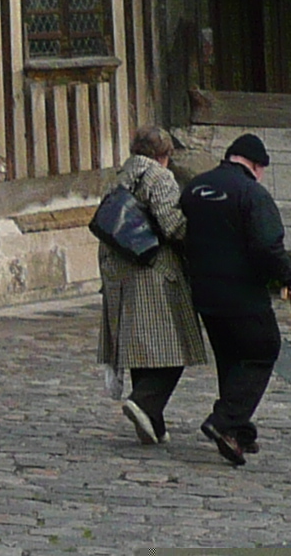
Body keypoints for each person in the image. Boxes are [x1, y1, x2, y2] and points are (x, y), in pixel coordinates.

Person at [177, 131, 291, 465]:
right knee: (262, 349)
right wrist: (288, 276)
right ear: (256, 165)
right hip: (242, 291)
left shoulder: (196, 187)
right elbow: (267, 245)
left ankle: (238, 431)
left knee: (231, 357)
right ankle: (224, 421)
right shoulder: (252, 193)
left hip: (204, 290)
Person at [96, 125, 210, 445]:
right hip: (154, 271)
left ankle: (152, 422)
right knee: (175, 345)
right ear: (165, 154)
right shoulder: (159, 178)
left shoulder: (119, 177)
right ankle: (145, 402)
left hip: (120, 272)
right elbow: (172, 225)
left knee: (142, 347)